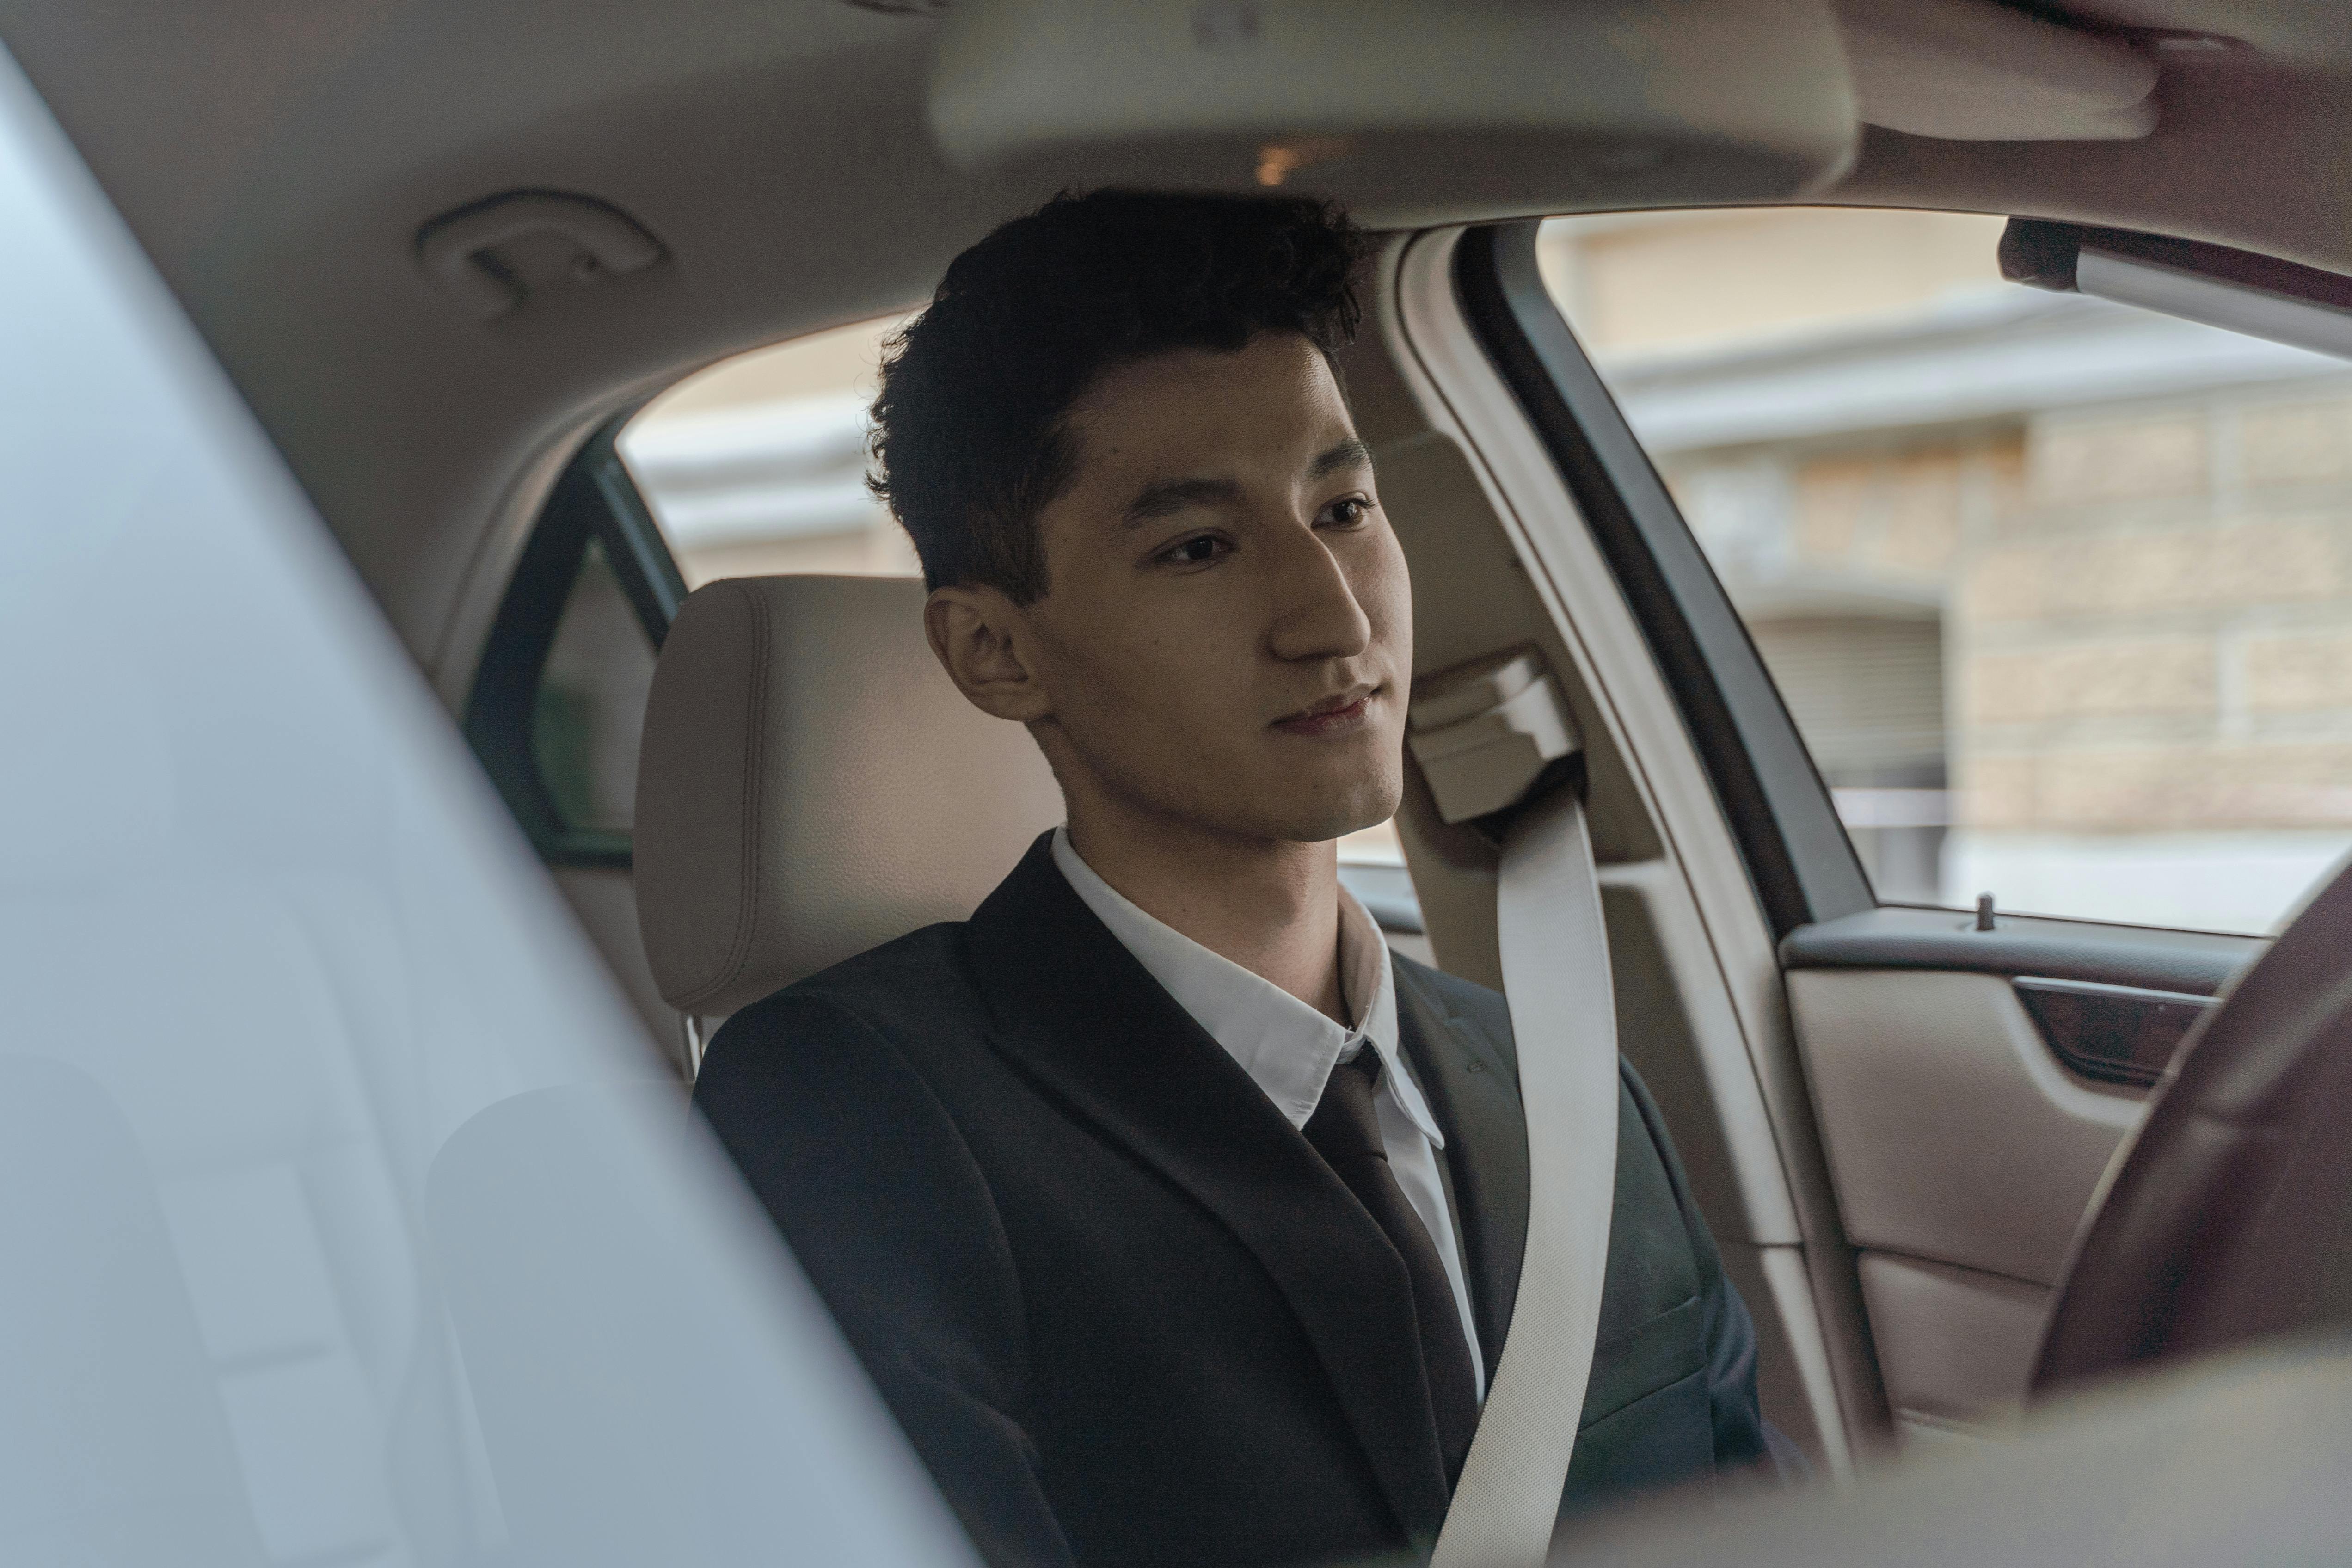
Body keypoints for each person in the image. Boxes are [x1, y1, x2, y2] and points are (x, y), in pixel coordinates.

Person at [691, 191, 1777, 1568]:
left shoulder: (1567, 1087)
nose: (1333, 617)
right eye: (1198, 547)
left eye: (1344, 506)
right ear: (995, 654)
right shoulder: (853, 1118)